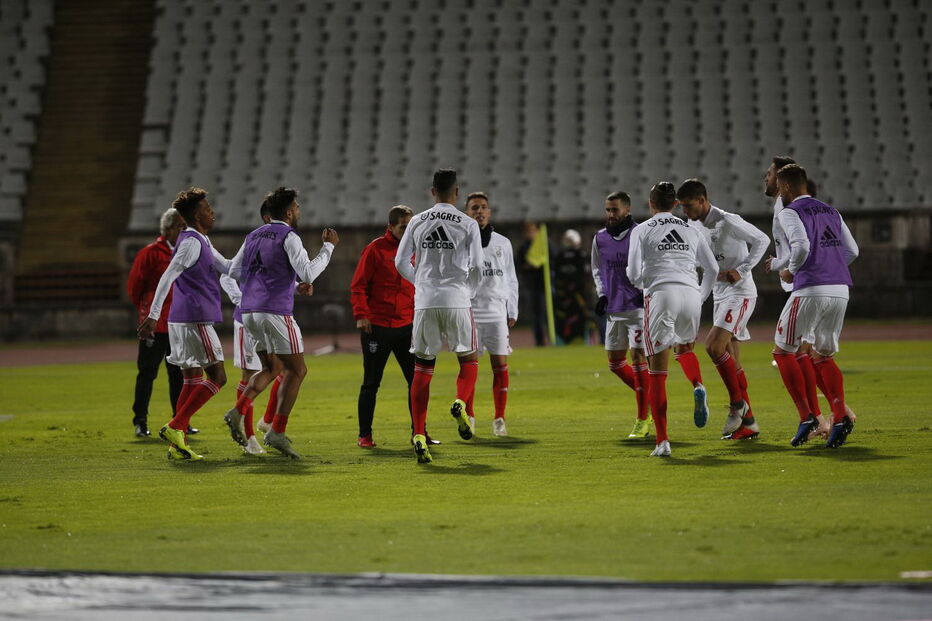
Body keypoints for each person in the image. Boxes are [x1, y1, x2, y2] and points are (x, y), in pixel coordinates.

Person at [226, 187, 338, 460]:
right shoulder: (288, 236)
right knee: (297, 370)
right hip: (275, 312)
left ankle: (238, 410)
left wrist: (279, 281)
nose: (299, 212)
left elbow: (233, 271)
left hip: (249, 311)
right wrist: (329, 247)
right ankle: (277, 430)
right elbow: (309, 273)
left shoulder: (253, 235)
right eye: (297, 208)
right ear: (288, 212)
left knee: (272, 366)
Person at [394, 168, 483, 463]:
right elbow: (478, 268)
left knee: (422, 368)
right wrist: (466, 293)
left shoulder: (418, 220)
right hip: (457, 299)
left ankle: (419, 433)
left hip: (425, 302)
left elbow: (400, 262)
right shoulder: (468, 223)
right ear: (456, 192)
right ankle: (460, 403)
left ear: (432, 191)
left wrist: (420, 281)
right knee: (469, 360)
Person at [768, 164, 858, 448]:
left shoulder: (790, 212)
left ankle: (807, 416)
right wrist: (832, 267)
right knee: (822, 356)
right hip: (840, 288)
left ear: (785, 187)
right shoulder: (831, 210)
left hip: (811, 289)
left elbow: (801, 246)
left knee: (783, 351)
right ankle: (840, 416)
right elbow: (852, 251)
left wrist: (790, 271)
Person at [137, 187, 232, 460]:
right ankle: (176, 425)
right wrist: (153, 315)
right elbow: (168, 276)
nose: (212, 212)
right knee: (218, 377)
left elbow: (229, 267)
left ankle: (177, 444)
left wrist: (256, 250)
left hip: (182, 319)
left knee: (192, 379)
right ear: (196, 215)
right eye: (207, 208)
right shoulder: (191, 242)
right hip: (195, 319)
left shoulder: (200, 239)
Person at [626, 182, 718, 457]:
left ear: (651, 203)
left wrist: (651, 282)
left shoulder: (642, 229)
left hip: (662, 294)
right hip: (690, 294)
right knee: (685, 348)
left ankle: (663, 441)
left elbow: (632, 274)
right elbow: (712, 268)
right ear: (675, 204)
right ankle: (698, 385)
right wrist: (700, 296)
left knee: (657, 373)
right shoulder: (691, 229)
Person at [678, 179, 770, 440]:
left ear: (702, 199)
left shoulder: (728, 220)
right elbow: (704, 266)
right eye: (682, 207)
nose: (685, 211)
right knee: (733, 363)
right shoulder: (692, 226)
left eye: (688, 205)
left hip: (740, 293)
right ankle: (749, 422)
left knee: (713, 347)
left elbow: (762, 240)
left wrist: (742, 270)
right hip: (719, 295)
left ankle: (736, 406)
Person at [350, 204, 434, 448]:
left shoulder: (419, 250)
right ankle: (364, 435)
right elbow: (358, 285)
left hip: (408, 326)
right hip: (378, 326)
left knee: (416, 381)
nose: (408, 231)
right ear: (391, 227)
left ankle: (419, 432)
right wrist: (362, 315)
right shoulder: (375, 249)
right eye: (403, 227)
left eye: (411, 227)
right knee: (371, 383)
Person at [218, 201, 276, 456]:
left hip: (273, 318)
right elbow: (227, 273)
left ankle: (268, 421)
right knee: (249, 375)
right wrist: (239, 299)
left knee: (285, 370)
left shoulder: (282, 243)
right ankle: (250, 437)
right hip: (248, 320)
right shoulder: (252, 242)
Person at [591, 191, 650, 439]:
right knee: (615, 363)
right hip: (614, 308)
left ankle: (642, 418)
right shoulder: (600, 238)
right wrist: (602, 294)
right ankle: (648, 394)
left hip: (637, 308)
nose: (610, 214)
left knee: (638, 360)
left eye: (615, 210)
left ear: (627, 210)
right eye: (607, 210)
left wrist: (645, 292)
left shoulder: (641, 234)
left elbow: (651, 266)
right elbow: (597, 267)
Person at [126, 207, 186, 438]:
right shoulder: (150, 253)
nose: (183, 230)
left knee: (178, 374)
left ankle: (179, 420)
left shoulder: (183, 250)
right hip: (156, 324)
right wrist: (146, 313)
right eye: (180, 226)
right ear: (169, 228)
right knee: (147, 373)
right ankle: (140, 421)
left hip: (178, 322)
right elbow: (135, 287)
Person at [464, 191, 519, 437]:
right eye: (474, 207)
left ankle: (499, 418)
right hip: (471, 311)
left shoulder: (502, 243)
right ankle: (471, 417)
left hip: (496, 311)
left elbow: (511, 278)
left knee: (500, 365)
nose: (479, 211)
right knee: (470, 368)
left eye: (483, 207)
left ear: (489, 212)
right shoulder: (461, 241)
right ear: (467, 213)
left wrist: (512, 308)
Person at [553, 228, 590, 344]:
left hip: (575, 297)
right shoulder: (563, 256)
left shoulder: (579, 255)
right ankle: (565, 340)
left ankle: (584, 340)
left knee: (583, 318)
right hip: (569, 297)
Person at [517, 221, 548, 346]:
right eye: (528, 231)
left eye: (532, 230)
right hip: (531, 285)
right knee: (537, 315)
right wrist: (529, 266)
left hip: (545, 284)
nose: (530, 233)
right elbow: (518, 265)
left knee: (548, 313)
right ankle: (540, 341)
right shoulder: (523, 248)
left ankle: (555, 338)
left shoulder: (544, 245)